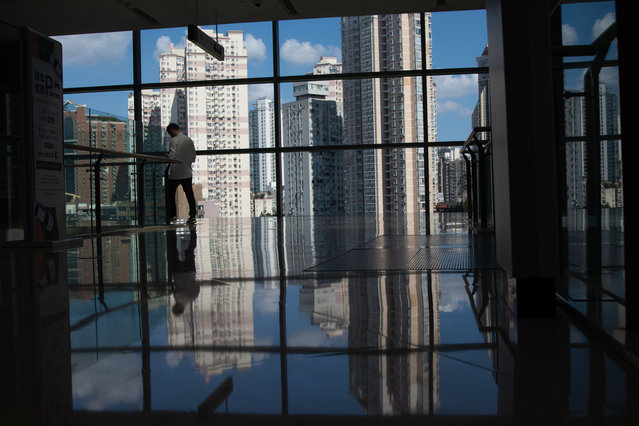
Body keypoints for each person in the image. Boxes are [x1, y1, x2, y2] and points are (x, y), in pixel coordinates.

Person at [165, 123, 197, 225]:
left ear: (172, 130)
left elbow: (172, 156)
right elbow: (193, 157)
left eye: (170, 133)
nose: (170, 135)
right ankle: (192, 215)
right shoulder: (189, 140)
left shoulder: (174, 140)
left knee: (171, 195)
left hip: (175, 173)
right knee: (189, 194)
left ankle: (173, 216)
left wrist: (166, 155)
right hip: (187, 171)